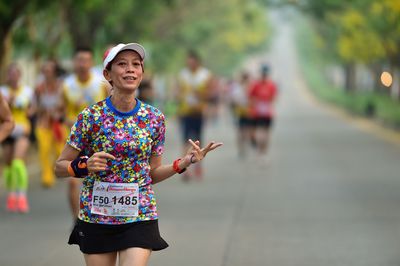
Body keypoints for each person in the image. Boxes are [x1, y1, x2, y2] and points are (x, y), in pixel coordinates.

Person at [54, 43, 222, 266]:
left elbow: (152, 173)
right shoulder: (90, 116)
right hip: (97, 215)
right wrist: (84, 165)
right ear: (108, 74)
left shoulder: (154, 118)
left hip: (139, 213)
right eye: (122, 64)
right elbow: (59, 167)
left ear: (142, 73)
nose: (130, 70)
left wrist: (185, 162)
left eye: (136, 65)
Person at [63, 47, 110, 218]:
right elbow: (61, 110)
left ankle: (102, 217)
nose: (82, 64)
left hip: (98, 142)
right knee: (73, 183)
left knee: (101, 181)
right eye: (79, 60)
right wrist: (67, 120)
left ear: (91, 62)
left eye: (86, 60)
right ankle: (77, 220)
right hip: (76, 142)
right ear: (74, 62)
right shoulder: (67, 85)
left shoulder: (101, 84)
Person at [0, 63, 34, 213]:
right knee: (8, 164)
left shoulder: (27, 91)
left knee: (17, 162)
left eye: (15, 73)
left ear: (19, 75)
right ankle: (12, 193)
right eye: (10, 73)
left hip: (22, 129)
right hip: (7, 131)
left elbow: (33, 107)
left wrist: (28, 111)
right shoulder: (3, 91)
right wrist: (9, 102)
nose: (13, 76)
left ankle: (21, 196)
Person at [176, 50, 213, 181]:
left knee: (198, 140)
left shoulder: (205, 75)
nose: (190, 64)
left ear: (197, 62)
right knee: (186, 140)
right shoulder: (183, 75)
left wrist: (201, 95)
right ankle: (185, 170)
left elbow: (210, 93)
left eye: (192, 61)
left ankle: (198, 166)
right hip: (186, 112)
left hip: (199, 112)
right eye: (188, 62)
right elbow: (178, 92)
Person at [34, 59, 65, 188]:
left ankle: (58, 169)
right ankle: (47, 177)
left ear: (54, 72)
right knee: (44, 150)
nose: (47, 73)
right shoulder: (39, 88)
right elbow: (35, 106)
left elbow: (66, 105)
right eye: (45, 70)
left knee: (60, 150)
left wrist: (58, 112)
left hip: (58, 124)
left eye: (50, 70)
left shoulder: (62, 86)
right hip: (43, 123)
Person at [248, 64, 278, 161]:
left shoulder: (271, 85)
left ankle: (263, 152)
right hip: (256, 113)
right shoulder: (255, 84)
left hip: (267, 114)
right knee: (255, 133)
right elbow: (250, 96)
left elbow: (273, 98)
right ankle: (259, 149)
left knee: (265, 133)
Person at [230, 72, 251, 158]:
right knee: (242, 131)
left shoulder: (240, 88)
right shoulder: (239, 88)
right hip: (241, 112)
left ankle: (242, 148)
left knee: (242, 131)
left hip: (243, 112)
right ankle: (242, 148)